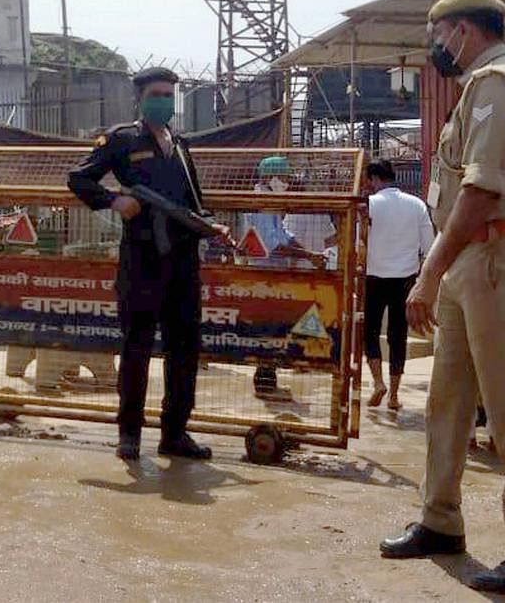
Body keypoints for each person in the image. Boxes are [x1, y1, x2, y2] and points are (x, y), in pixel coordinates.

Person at [380, 0, 505, 596]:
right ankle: (440, 519)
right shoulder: (484, 87)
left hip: (487, 257)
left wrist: (429, 273)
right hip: (469, 257)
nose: (436, 47)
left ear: (463, 30)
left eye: (439, 34)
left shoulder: (496, 85)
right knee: (448, 403)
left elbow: (480, 192)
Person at [68, 66, 231, 461]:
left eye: (169, 94)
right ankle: (130, 434)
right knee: (137, 347)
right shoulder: (122, 139)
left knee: (184, 349)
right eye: (156, 93)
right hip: (142, 261)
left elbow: (192, 202)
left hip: (183, 262)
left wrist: (211, 227)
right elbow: (79, 178)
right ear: (139, 99)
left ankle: (175, 432)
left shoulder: (180, 144)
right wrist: (114, 201)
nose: (164, 100)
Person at [241, 155, 327, 396]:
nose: (288, 182)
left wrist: (307, 251)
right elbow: (273, 245)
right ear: (271, 177)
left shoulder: (272, 202)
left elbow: (284, 234)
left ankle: (269, 377)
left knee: (276, 325)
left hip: (275, 272)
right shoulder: (260, 202)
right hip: (264, 270)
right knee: (267, 326)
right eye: (285, 177)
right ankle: (264, 380)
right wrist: (308, 254)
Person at [363, 159, 433, 411]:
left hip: (373, 277)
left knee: (369, 331)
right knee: (397, 335)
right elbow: (429, 246)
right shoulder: (416, 205)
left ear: (374, 179)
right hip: (405, 278)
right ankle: (393, 396)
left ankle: (378, 382)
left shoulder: (369, 205)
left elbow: (359, 241)